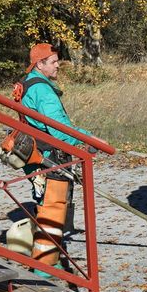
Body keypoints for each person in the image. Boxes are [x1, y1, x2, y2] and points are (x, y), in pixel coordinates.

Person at [20, 43, 91, 277]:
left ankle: (49, 259)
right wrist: (84, 142)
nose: (58, 64)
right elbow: (58, 127)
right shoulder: (42, 90)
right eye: (53, 61)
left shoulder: (30, 83)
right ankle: (44, 267)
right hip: (49, 154)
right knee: (53, 207)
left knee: (46, 204)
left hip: (37, 153)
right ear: (40, 64)